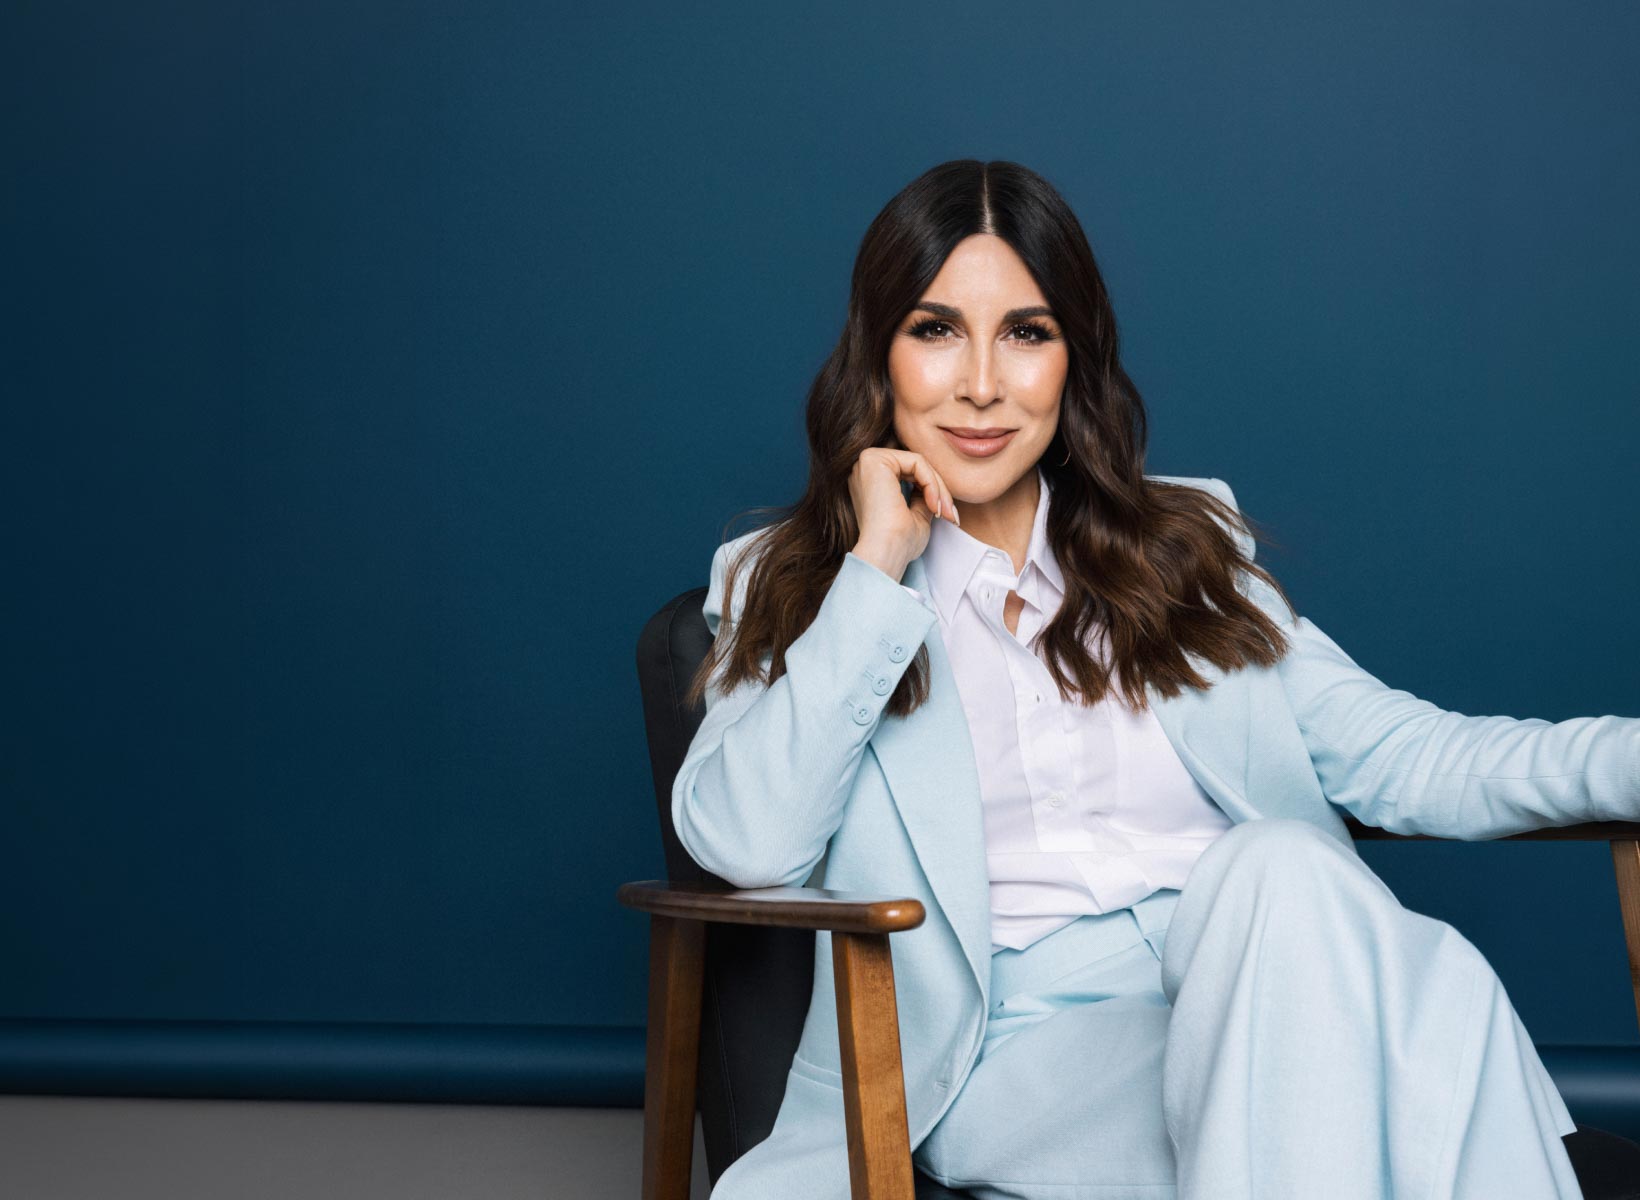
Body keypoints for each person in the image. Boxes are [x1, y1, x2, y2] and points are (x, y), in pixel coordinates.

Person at [671, 159, 1636, 1200]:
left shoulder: (1182, 552)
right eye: (936, 329)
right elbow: (743, 841)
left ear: (1073, 358)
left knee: (1297, 888)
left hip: (1277, 978)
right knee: (1399, 1003)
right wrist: (876, 569)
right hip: (1013, 1052)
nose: (982, 384)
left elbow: (1408, 755)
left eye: (1026, 333)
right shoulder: (802, 581)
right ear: (879, 353)